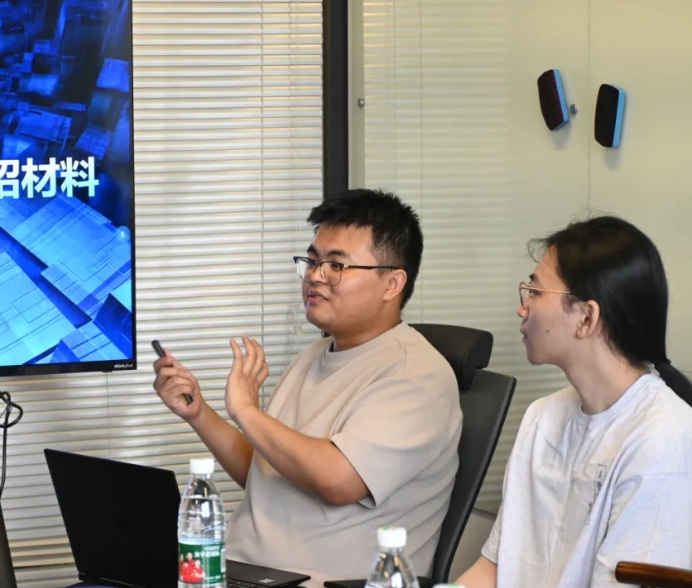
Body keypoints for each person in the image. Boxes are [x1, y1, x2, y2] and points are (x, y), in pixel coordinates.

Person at [153, 189, 462, 585]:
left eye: (337, 265)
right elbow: (266, 472)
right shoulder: (314, 355)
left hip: (320, 581)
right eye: (313, 261)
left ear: (392, 283)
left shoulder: (416, 374)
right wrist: (198, 413)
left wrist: (246, 411)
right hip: (243, 572)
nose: (316, 276)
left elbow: (337, 481)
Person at [457, 216, 692, 588]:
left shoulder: (661, 440)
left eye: (535, 292)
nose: (522, 308)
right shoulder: (543, 417)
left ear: (586, 317)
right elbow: (494, 569)